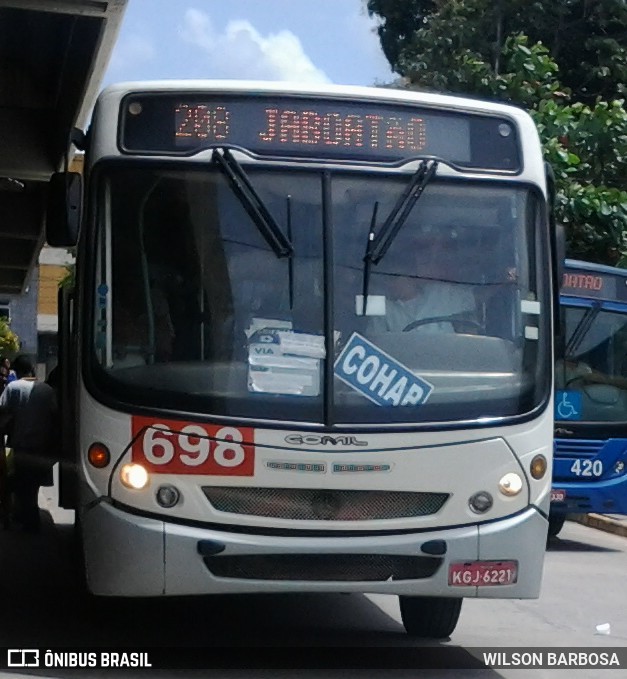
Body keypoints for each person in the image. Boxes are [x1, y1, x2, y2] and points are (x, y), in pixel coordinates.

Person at [369, 230, 477, 334]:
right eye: (385, 279)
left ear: (410, 274)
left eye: (393, 278)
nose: (389, 284)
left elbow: (472, 331)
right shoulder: (383, 308)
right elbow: (373, 342)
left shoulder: (447, 295)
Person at [0, 355, 58, 532]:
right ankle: (27, 518)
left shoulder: (13, 387)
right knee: (32, 486)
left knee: (18, 483)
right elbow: (55, 415)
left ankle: (29, 520)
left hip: (18, 446)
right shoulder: (47, 390)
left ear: (15, 371)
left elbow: (2, 411)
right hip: (42, 447)